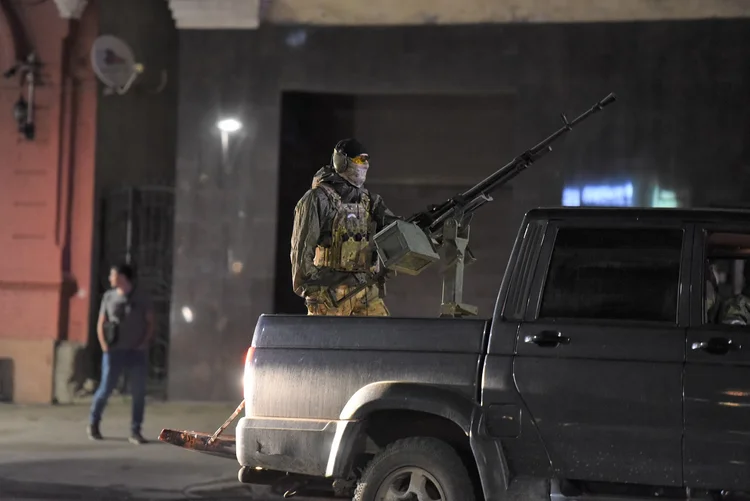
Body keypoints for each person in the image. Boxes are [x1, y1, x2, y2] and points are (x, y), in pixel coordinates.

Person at [290, 138, 399, 316]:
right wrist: (312, 289)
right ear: (342, 161)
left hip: (364, 288)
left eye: (366, 160)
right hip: (330, 292)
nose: (364, 165)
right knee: (328, 342)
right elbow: (302, 248)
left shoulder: (369, 200)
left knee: (380, 338)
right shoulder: (318, 199)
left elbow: (395, 227)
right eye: (359, 160)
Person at [87, 263, 154, 444]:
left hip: (136, 352)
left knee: (138, 392)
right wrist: (104, 345)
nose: (110, 278)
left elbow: (150, 323)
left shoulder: (141, 298)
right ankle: (93, 423)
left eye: (113, 275)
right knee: (106, 388)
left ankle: (135, 430)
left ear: (123, 277)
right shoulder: (108, 297)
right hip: (114, 351)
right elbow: (101, 323)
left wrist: (143, 343)